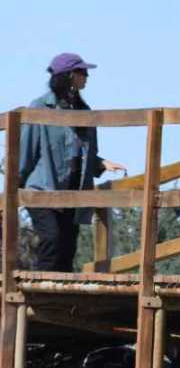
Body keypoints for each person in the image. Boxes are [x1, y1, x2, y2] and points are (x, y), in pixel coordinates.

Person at [18, 53, 127, 272]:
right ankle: (40, 290)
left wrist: (100, 163)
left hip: (72, 190)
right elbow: (24, 153)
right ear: (69, 75)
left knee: (68, 247)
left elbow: (79, 151)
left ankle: (62, 293)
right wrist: (13, 188)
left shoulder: (84, 111)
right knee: (51, 240)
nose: (87, 76)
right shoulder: (39, 108)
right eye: (82, 72)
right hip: (41, 189)